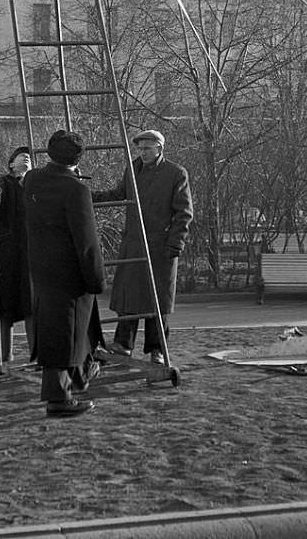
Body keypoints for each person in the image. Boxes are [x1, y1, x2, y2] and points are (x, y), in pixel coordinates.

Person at [23, 130, 105, 417]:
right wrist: (96, 277)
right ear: (78, 159)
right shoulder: (76, 190)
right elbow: (86, 242)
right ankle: (58, 398)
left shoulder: (33, 180)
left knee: (61, 332)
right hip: (71, 274)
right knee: (66, 334)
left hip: (42, 269)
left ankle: (79, 379)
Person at [94, 129, 193, 366]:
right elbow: (118, 194)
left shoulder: (175, 173)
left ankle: (157, 350)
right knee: (129, 296)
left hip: (161, 246)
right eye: (140, 148)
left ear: (160, 148)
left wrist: (176, 242)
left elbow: (184, 213)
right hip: (133, 244)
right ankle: (123, 344)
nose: (143, 153)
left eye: (148, 148)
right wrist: (87, 195)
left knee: (157, 300)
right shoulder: (133, 170)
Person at [0, 146, 34, 373]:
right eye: (22, 155)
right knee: (4, 304)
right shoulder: (2, 181)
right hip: (6, 251)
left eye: (30, 156)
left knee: (32, 304)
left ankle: (36, 352)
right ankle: (4, 354)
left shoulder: (37, 183)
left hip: (31, 250)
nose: (27, 157)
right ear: (12, 164)